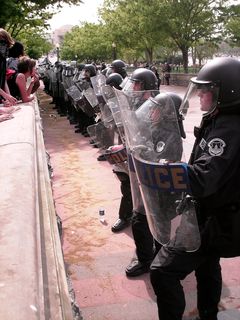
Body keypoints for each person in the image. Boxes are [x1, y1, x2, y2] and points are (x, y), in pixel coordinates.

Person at [150, 57, 240, 320]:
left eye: (206, 89)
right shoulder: (221, 118)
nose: (200, 94)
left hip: (218, 220)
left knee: (163, 271)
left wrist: (168, 172)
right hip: (218, 214)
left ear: (226, 93)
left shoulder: (229, 128)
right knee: (207, 265)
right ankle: (208, 313)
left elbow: (203, 179)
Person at [0, 28, 17, 106]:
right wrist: (6, 96)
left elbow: (4, 80)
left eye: (4, 43)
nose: (2, 46)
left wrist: (8, 97)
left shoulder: (3, 60)